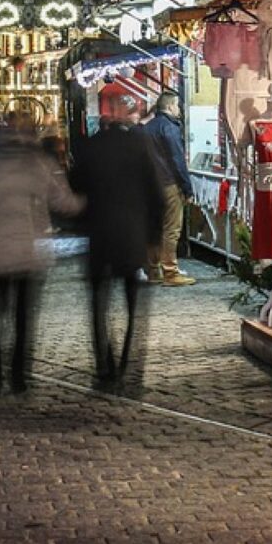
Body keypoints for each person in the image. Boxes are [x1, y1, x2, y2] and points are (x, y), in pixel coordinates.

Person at [0, 113, 83, 393]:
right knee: (23, 315)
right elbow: (63, 201)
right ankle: (19, 375)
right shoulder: (37, 162)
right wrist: (87, 203)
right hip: (29, 247)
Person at [71, 84, 165, 389]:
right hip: (132, 235)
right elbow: (156, 192)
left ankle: (104, 366)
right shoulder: (139, 145)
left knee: (99, 305)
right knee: (134, 303)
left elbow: (76, 190)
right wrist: (154, 237)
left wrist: (83, 224)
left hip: (100, 235)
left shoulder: (90, 146)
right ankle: (131, 364)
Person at [140, 90, 196, 286]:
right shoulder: (169, 128)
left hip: (149, 186)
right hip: (168, 183)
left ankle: (153, 270)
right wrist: (187, 188)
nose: (179, 109)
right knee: (171, 228)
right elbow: (176, 159)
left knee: (154, 227)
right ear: (171, 106)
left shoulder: (146, 129)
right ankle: (171, 272)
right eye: (177, 106)